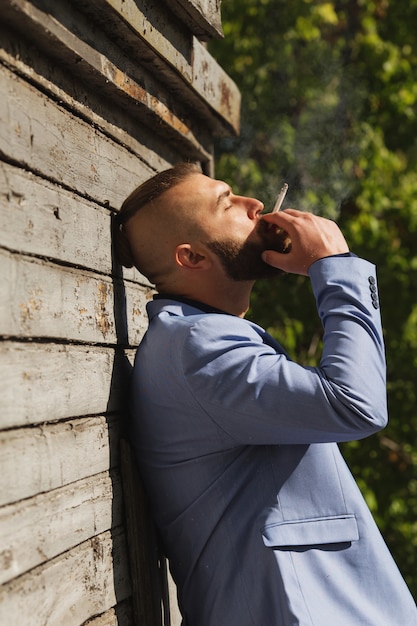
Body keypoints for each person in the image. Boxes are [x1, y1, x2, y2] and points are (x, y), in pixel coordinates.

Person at [114, 162, 417, 625]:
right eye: (226, 202)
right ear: (191, 258)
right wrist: (336, 268)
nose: (254, 203)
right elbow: (356, 404)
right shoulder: (199, 350)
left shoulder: (200, 340)